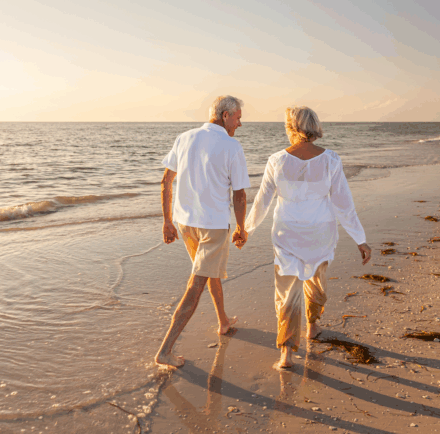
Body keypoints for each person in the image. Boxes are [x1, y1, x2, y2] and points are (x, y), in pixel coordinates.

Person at [242, 106, 371, 369]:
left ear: (291, 127)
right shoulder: (331, 159)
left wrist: (246, 229)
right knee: (316, 281)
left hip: (286, 232)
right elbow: (344, 205)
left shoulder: (277, 160)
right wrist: (360, 239)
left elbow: (262, 202)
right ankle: (311, 327)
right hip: (320, 233)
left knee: (287, 292)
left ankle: (287, 354)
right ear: (314, 127)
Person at [155, 95, 251, 368]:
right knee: (196, 284)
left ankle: (222, 321)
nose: (240, 123)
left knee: (210, 272)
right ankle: (165, 350)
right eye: (238, 117)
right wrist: (242, 228)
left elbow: (166, 182)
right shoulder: (232, 146)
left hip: (185, 223)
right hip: (213, 226)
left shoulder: (184, 138)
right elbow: (240, 194)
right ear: (225, 116)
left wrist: (167, 221)